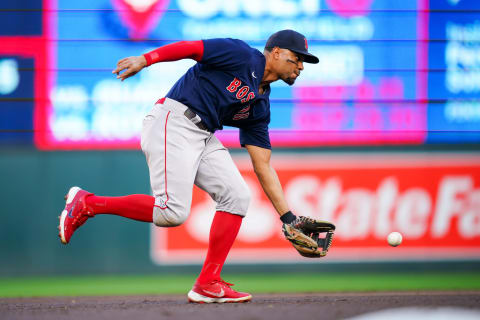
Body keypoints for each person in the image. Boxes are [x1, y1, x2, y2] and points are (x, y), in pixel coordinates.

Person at [58, 29, 320, 303]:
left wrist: (288, 217)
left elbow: (263, 165)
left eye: (304, 61)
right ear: (276, 52)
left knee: (238, 197)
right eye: (297, 57)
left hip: (203, 135)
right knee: (171, 213)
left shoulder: (260, 105)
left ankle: (208, 282)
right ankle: (88, 203)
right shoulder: (242, 56)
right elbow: (192, 47)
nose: (301, 66)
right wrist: (146, 59)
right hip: (174, 119)